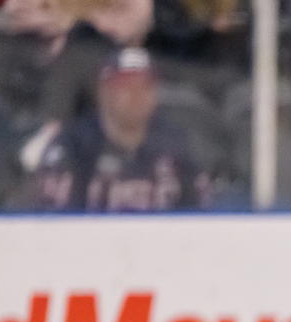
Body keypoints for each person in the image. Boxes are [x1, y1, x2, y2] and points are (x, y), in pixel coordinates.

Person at [35, 46, 209, 210]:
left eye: (145, 86)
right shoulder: (72, 145)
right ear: (104, 92)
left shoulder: (176, 143)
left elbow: (200, 216)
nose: (137, 95)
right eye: (125, 86)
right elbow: (52, 223)